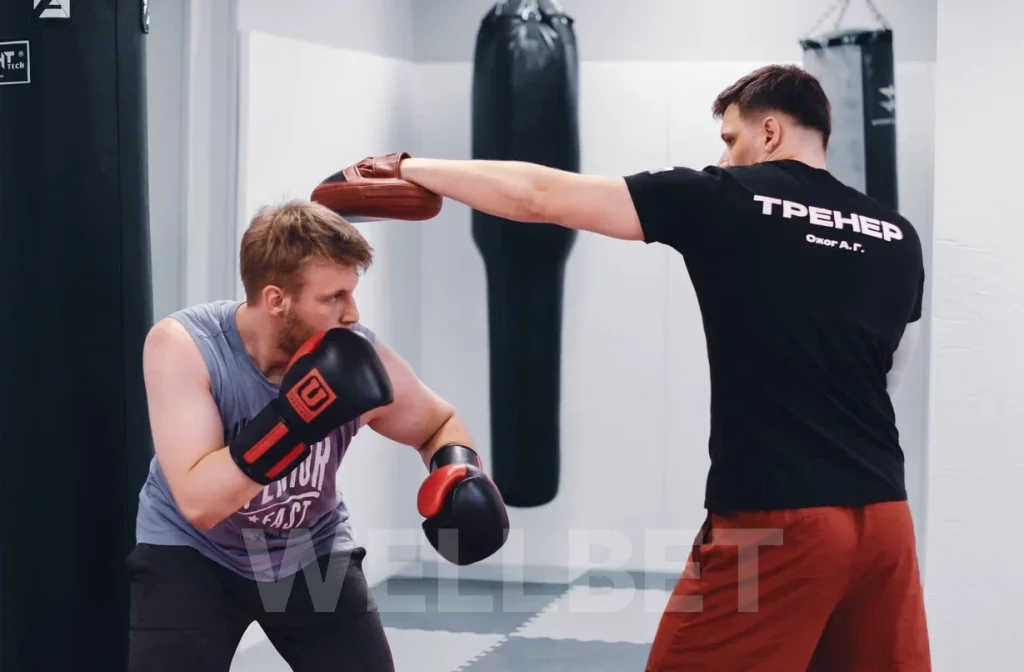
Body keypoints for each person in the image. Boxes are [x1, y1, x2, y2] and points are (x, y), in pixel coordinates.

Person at [335, 64, 930, 670]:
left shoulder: (723, 196)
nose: (723, 157)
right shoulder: (898, 236)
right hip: (885, 519)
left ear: (770, 132)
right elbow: (889, 376)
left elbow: (540, 195)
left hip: (775, 517)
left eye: (731, 139)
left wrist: (407, 167)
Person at [129, 200, 508, 672]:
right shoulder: (186, 347)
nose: (353, 313)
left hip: (307, 552)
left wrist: (458, 470)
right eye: (334, 298)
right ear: (276, 300)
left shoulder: (358, 355)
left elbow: (436, 422)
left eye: (352, 293)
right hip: (196, 555)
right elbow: (200, 502)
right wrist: (297, 417)